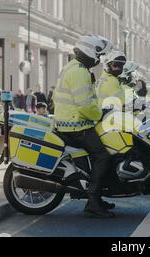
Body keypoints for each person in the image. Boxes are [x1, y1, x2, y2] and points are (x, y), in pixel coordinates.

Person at [54, 35, 115, 219]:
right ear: (89, 51)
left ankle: (97, 197)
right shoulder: (79, 72)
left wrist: (101, 110)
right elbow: (85, 104)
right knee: (103, 156)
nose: (99, 59)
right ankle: (93, 202)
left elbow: (88, 101)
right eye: (98, 54)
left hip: (72, 122)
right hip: (75, 125)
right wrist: (99, 115)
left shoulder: (74, 67)